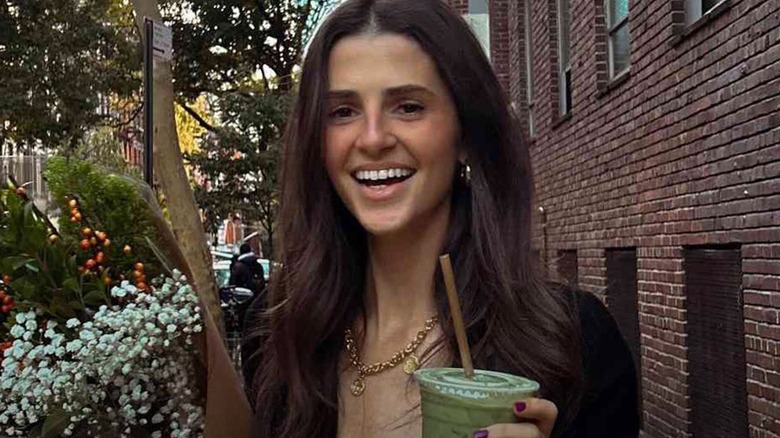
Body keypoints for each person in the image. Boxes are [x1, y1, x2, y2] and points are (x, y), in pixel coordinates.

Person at [243, 0, 639, 437]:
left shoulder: (577, 347)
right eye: (342, 112)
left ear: (466, 134)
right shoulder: (278, 338)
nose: (373, 138)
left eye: (409, 106)